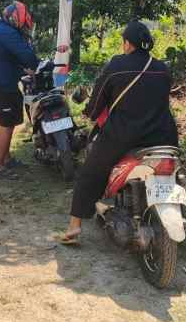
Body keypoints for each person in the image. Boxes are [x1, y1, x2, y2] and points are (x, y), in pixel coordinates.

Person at [60, 21, 178, 244]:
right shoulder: (163, 68)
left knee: (90, 173)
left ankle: (74, 226)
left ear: (127, 43)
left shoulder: (117, 65)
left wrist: (90, 112)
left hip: (123, 136)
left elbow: (96, 106)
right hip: (163, 136)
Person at [0, 1, 39, 179]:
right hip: (2, 84)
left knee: (11, 122)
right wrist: (35, 65)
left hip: (3, 81)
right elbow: (27, 56)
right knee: (6, 126)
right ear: (15, 18)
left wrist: (22, 70)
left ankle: (6, 158)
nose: (23, 29)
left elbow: (6, 58)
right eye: (23, 25)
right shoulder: (6, 32)